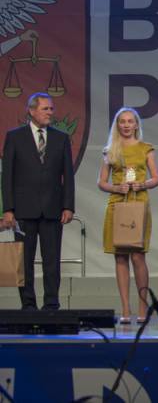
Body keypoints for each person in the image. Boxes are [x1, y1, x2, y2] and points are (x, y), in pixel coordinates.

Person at [1, 92, 75, 311]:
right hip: (23, 210)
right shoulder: (15, 137)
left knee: (52, 261)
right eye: (45, 109)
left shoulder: (61, 138)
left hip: (52, 209)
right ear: (32, 111)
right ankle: (28, 305)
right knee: (24, 262)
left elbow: (68, 175)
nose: (50, 113)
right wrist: (8, 209)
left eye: (51, 109)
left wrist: (68, 205)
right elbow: (7, 176)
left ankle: (51, 304)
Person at [98, 107, 158, 324]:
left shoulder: (146, 148)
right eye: (122, 121)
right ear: (117, 125)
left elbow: (156, 178)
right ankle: (125, 308)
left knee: (138, 256)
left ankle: (143, 306)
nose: (126, 125)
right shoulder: (110, 150)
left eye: (130, 121)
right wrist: (116, 188)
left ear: (136, 125)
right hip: (117, 204)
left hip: (138, 204)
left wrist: (142, 184)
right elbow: (101, 182)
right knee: (120, 256)